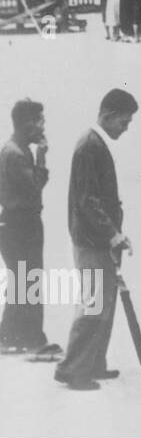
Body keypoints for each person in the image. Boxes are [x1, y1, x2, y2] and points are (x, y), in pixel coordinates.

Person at [55, 89, 138, 391]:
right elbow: (88, 200)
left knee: (104, 304)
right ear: (109, 115)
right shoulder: (90, 146)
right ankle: (73, 370)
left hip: (98, 239)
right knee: (93, 304)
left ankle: (93, 363)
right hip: (92, 240)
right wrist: (112, 233)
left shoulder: (95, 144)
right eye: (124, 122)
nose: (125, 128)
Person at [0, 100, 61, 359]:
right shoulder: (15, 153)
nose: (43, 126)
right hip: (21, 224)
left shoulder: (14, 149)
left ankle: (12, 337)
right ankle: (33, 341)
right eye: (40, 120)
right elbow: (34, 189)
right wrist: (42, 157)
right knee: (28, 280)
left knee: (22, 281)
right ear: (27, 123)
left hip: (15, 223)